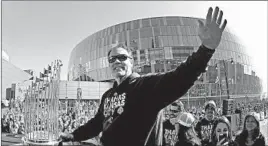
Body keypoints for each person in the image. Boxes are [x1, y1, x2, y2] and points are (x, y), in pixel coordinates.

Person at [59, 6, 227, 146]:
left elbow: (180, 78)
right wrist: (73, 136)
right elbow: (96, 124)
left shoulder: (144, 87)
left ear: (132, 62)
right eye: (112, 59)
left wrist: (206, 49)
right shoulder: (107, 95)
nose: (117, 61)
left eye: (122, 57)